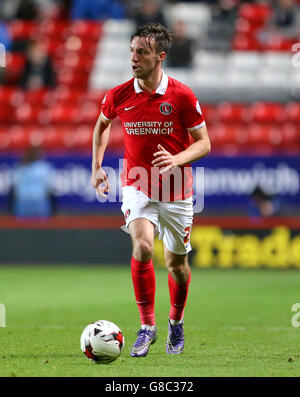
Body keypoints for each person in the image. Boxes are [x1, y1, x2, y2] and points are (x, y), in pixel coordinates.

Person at [91, 23, 211, 357]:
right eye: (131, 51)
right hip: (135, 182)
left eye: (141, 52)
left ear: (160, 56)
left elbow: (204, 143)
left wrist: (177, 158)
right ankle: (147, 327)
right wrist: (97, 166)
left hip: (175, 188)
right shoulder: (118, 94)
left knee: (177, 266)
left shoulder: (182, 95)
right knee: (142, 247)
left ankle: (176, 320)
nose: (134, 58)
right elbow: (102, 126)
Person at [11, 146, 55, 218]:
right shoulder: (44, 168)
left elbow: (14, 185)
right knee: (42, 228)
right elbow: (50, 186)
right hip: (38, 202)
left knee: (20, 227)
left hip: (24, 201)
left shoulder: (19, 167)